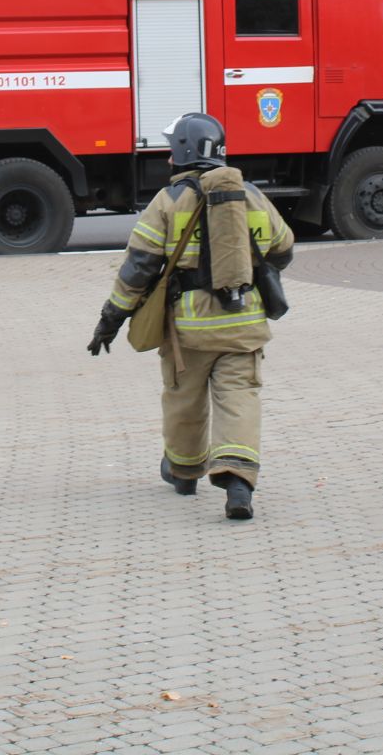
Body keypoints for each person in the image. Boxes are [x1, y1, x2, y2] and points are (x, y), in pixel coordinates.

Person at [87, 112, 294, 521]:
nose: (166, 160)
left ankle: (183, 471)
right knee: (239, 397)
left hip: (189, 330)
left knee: (184, 399)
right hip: (244, 326)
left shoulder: (167, 202)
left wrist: (110, 320)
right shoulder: (252, 195)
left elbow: (138, 269)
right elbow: (283, 250)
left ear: (182, 151)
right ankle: (238, 482)